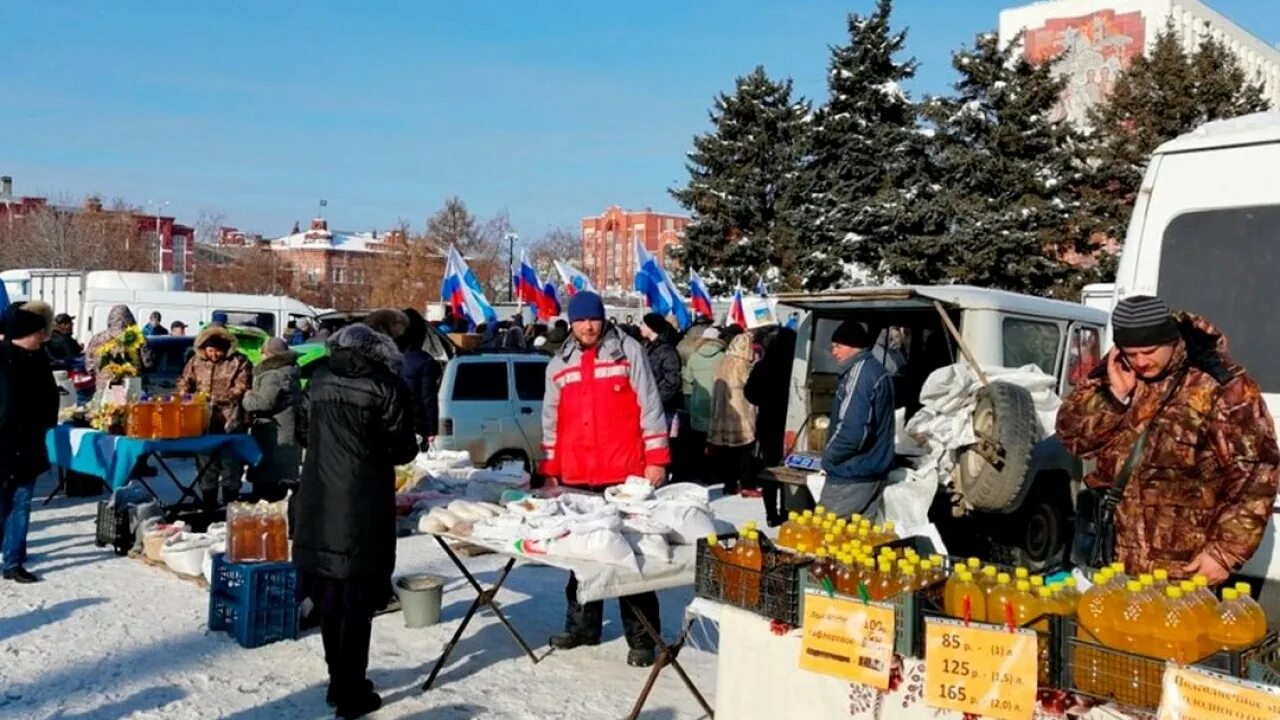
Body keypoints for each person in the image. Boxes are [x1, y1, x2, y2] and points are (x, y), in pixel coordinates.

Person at [1057, 296, 1280, 582]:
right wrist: (1114, 398)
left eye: (1149, 351)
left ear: (1171, 340)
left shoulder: (1220, 384)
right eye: (1130, 353)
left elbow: (1257, 472)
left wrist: (1224, 552)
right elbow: (1073, 438)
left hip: (1183, 566)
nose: (1140, 362)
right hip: (1111, 559)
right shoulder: (1116, 373)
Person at [293, 322, 418, 718]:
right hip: (362, 505)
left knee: (331, 598)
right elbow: (402, 449)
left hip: (318, 498)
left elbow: (301, 433)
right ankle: (351, 694)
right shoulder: (387, 385)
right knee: (357, 602)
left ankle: (337, 682)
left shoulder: (318, 377)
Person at [541, 291, 668, 668]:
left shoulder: (628, 351)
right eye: (580, 320)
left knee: (632, 560)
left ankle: (644, 639)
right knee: (582, 557)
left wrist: (657, 460)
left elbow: (650, 405)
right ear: (572, 323)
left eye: (593, 319)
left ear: (603, 318)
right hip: (578, 476)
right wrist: (550, 472)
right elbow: (550, 423)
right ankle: (583, 627)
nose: (587, 326)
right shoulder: (558, 365)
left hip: (624, 474)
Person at [0, 302, 58, 583]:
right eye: (39, 333)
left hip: (30, 444)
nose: (44, 337)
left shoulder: (39, 358)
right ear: (26, 333)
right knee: (4, 503)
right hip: (3, 445)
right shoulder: (3, 358)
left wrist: (45, 424)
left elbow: (49, 400)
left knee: (21, 502)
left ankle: (13, 560)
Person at [820, 320, 895, 518]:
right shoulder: (877, 371)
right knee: (857, 540)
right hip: (871, 472)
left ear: (854, 346)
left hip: (851, 475)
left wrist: (829, 456)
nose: (833, 351)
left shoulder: (860, 374)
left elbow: (853, 431)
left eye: (838, 346)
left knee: (824, 536)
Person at [179, 325, 253, 508]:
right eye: (210, 350)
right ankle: (209, 502)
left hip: (230, 420)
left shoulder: (239, 361)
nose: (214, 355)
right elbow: (184, 381)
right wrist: (185, 395)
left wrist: (224, 397)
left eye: (218, 351)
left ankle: (231, 502)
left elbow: (243, 386)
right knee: (206, 464)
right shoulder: (195, 362)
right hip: (203, 421)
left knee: (230, 464)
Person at [745, 326, 797, 526]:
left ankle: (770, 513)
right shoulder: (796, 367)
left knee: (771, 469)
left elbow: (750, 394)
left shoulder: (763, 366)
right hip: (792, 424)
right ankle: (787, 509)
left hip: (768, 424)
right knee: (790, 469)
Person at [242, 338, 303, 502]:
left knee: (268, 487)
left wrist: (247, 398)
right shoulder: (289, 370)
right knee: (279, 481)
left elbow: (264, 402)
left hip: (272, 433)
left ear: (268, 354)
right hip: (285, 430)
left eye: (262, 352)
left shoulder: (272, 375)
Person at [709, 332, 758, 496]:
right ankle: (747, 484)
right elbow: (751, 387)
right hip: (741, 413)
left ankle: (729, 484)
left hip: (722, 413)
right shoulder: (742, 365)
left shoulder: (723, 361)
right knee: (745, 451)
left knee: (728, 452)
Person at [682, 327, 726, 483]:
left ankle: (700, 473)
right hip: (719, 403)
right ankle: (716, 472)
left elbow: (688, 378)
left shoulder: (694, 357)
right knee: (717, 441)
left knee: (699, 441)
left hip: (698, 402)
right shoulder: (723, 357)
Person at [399, 308, 440, 451]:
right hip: (416, 425)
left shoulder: (387, 359)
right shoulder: (425, 361)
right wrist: (432, 430)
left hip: (392, 425)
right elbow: (428, 398)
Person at [83, 304, 152, 388]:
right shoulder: (139, 338)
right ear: (130, 318)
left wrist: (102, 375)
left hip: (105, 385)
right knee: (129, 400)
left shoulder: (97, 338)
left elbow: (89, 367)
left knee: (105, 401)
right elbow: (148, 364)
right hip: (130, 384)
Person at [639, 313, 682, 427]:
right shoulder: (645, 347)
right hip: (648, 404)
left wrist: (656, 398)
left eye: (643, 324)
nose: (640, 327)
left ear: (652, 328)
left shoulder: (667, 350)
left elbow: (672, 381)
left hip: (663, 407)